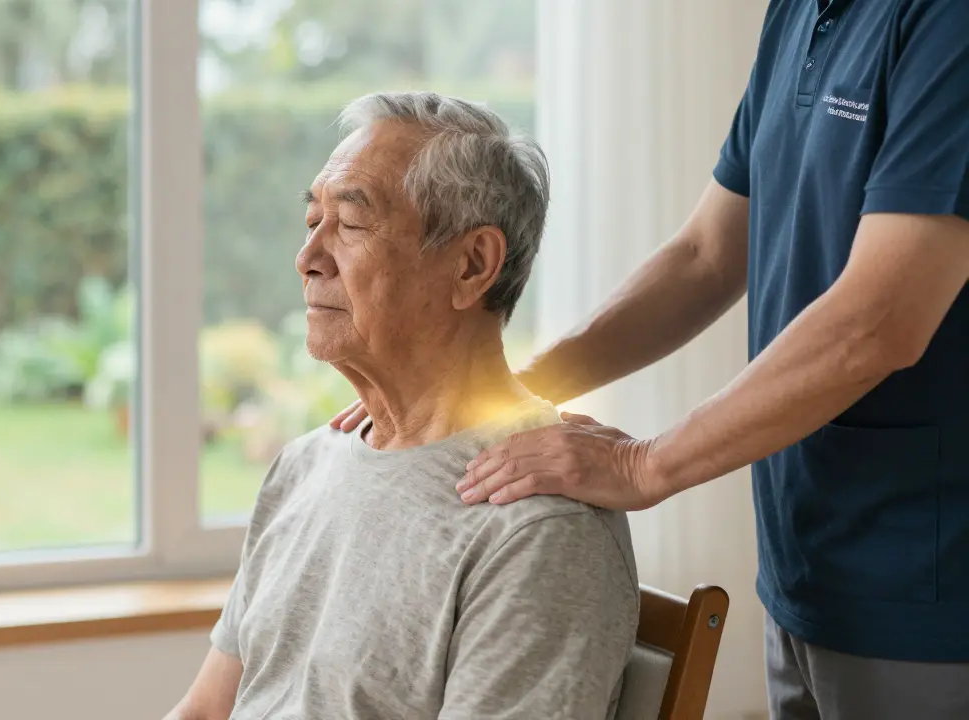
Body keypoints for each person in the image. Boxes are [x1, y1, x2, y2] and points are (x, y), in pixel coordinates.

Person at [336, 1, 969, 717]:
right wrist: (505, 389)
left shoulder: (947, 24)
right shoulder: (799, 12)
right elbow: (705, 256)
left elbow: (881, 320)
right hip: (806, 566)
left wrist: (644, 465)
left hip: (930, 585)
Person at [165, 91, 639, 720]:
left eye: (352, 225)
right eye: (313, 223)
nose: (307, 259)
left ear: (472, 265)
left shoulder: (540, 527)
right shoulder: (305, 467)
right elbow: (203, 711)